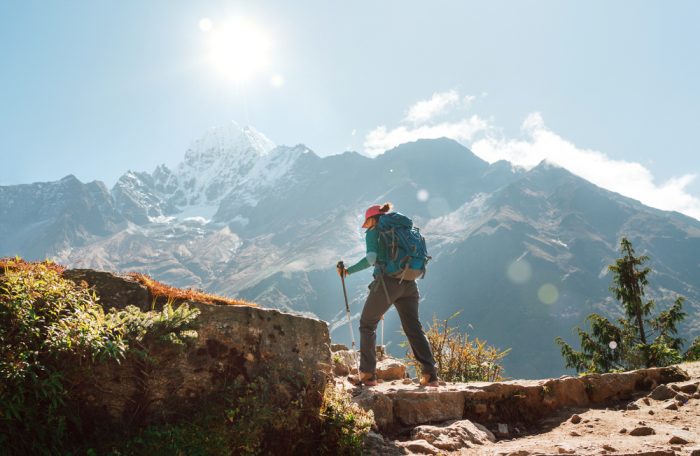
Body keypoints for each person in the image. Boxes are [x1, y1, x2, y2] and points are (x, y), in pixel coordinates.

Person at [338, 202, 439, 387]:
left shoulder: (375, 231)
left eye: (366, 223)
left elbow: (371, 259)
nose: (365, 227)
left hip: (388, 283)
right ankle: (430, 375)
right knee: (414, 328)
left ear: (372, 219)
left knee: (367, 324)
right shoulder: (402, 230)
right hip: (409, 282)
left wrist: (348, 271)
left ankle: (367, 375)